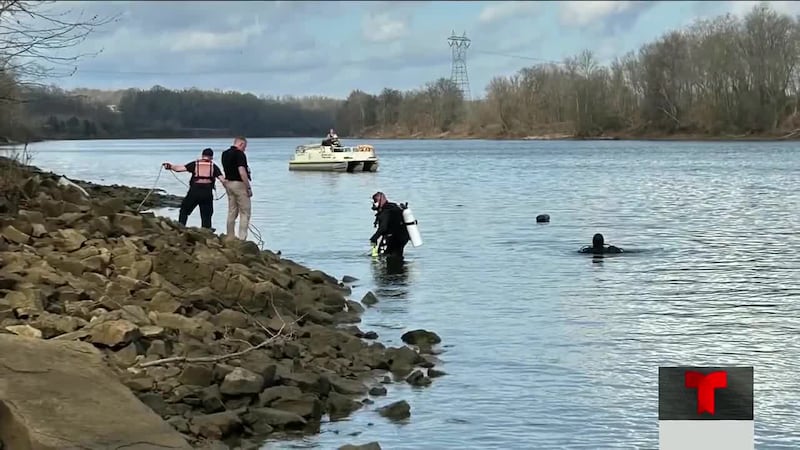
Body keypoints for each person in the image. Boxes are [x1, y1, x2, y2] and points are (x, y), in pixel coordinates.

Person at [162, 148, 225, 229]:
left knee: (184, 210)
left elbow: (179, 169)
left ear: (202, 155)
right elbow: (222, 179)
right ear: (211, 157)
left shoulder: (195, 164)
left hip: (194, 192)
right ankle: (206, 232)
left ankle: (181, 228)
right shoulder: (214, 166)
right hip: (207, 193)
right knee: (206, 215)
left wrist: (169, 166)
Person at [220, 136, 252, 241]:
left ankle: (230, 236)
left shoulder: (224, 154)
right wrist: (248, 187)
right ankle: (242, 238)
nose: (245, 149)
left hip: (228, 183)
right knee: (245, 212)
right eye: (245, 147)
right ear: (241, 144)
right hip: (239, 184)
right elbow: (242, 171)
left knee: (232, 211)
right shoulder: (239, 154)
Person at [369, 191, 410, 259]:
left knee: (383, 255)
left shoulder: (385, 212)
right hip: (403, 237)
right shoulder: (394, 207)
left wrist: (374, 238)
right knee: (397, 256)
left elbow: (383, 228)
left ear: (380, 201)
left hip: (393, 238)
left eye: (375, 201)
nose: (373, 203)